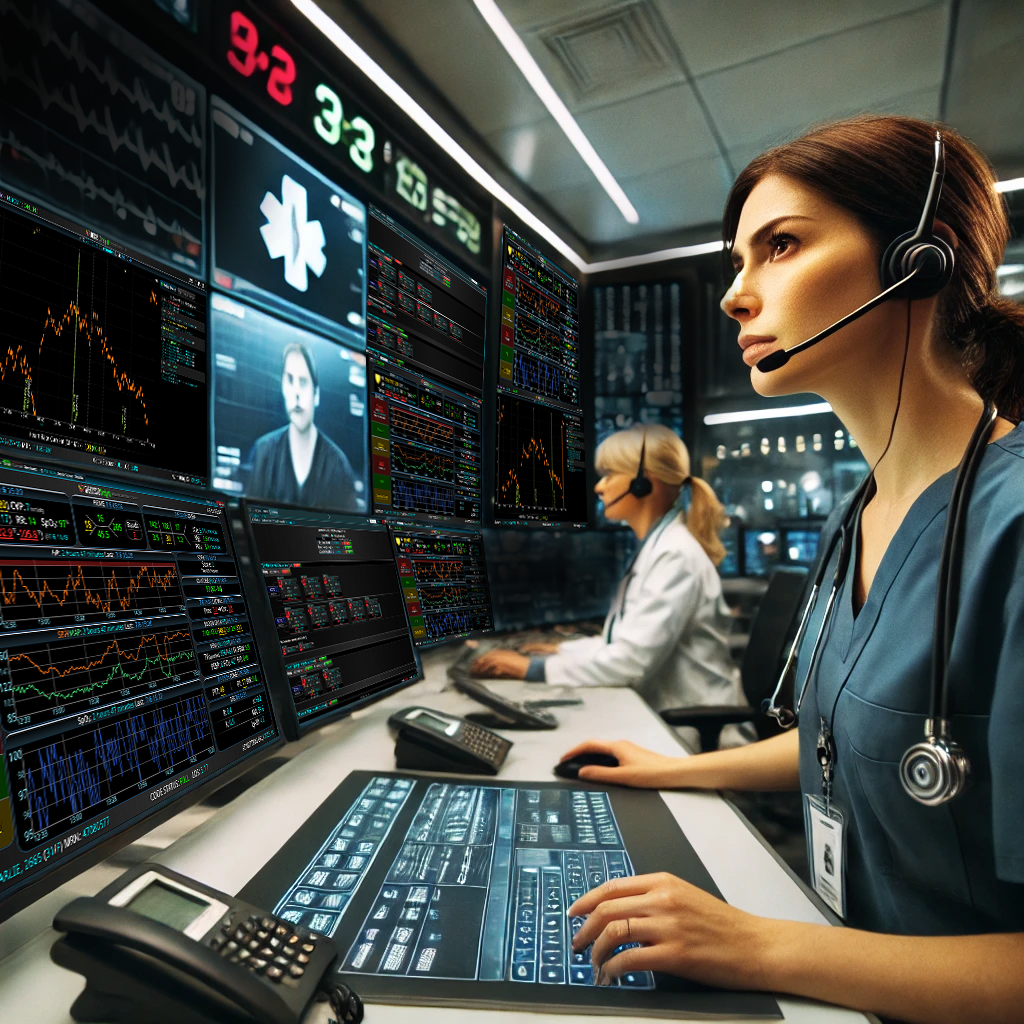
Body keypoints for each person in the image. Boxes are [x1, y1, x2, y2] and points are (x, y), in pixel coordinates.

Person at [561, 115, 1024, 1024]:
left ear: (915, 261)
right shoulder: (860, 517)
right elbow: (850, 742)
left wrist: (758, 943)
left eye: (780, 246)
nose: (735, 295)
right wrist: (668, 769)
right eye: (738, 261)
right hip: (837, 977)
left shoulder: (1013, 527)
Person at [472, 425, 749, 744]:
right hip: (664, 713)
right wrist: (560, 650)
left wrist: (532, 669)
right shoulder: (659, 547)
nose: (599, 488)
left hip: (688, 730)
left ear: (643, 482)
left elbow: (629, 662)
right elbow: (621, 641)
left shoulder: (676, 555)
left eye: (609, 474)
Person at [248, 342, 358, 510]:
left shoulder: (337, 465)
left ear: (316, 395)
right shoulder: (263, 452)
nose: (296, 392)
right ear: (283, 388)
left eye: (303, 382)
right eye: (290, 380)